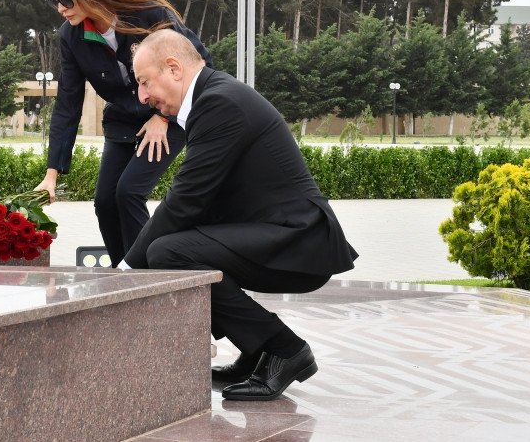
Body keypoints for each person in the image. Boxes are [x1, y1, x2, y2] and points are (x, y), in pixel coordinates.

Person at [122, 29, 358, 401]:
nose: (143, 96)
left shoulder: (219, 103)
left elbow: (185, 199)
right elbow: (198, 202)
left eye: (145, 82)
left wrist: (126, 273)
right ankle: (256, 351)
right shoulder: (214, 97)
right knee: (170, 249)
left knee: (168, 253)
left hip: (299, 239)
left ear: (174, 68)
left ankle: (284, 348)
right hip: (278, 232)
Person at [34, 0, 212, 267]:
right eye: (53, 0)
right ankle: (122, 275)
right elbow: (67, 105)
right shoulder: (71, 37)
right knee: (104, 201)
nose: (60, 8)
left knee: (128, 192)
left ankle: (148, 276)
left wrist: (163, 117)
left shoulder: (148, 13)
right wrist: (51, 174)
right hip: (122, 120)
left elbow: (199, 62)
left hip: (167, 115)